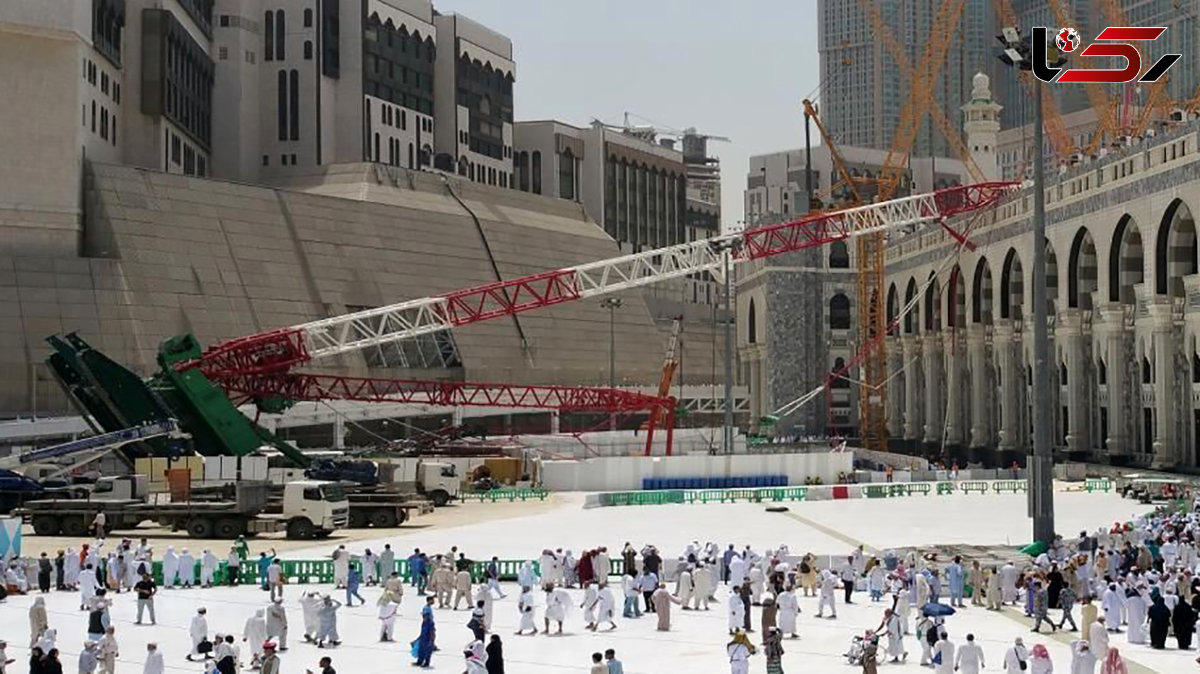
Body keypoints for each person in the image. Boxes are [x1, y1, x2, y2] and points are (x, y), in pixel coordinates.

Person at [411, 598, 436, 668]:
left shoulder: (430, 622)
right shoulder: (425, 622)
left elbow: (432, 631)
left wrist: (432, 639)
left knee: (427, 649)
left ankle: (426, 662)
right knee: (421, 648)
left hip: (428, 637)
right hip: (424, 636)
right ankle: (420, 661)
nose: (424, 617)